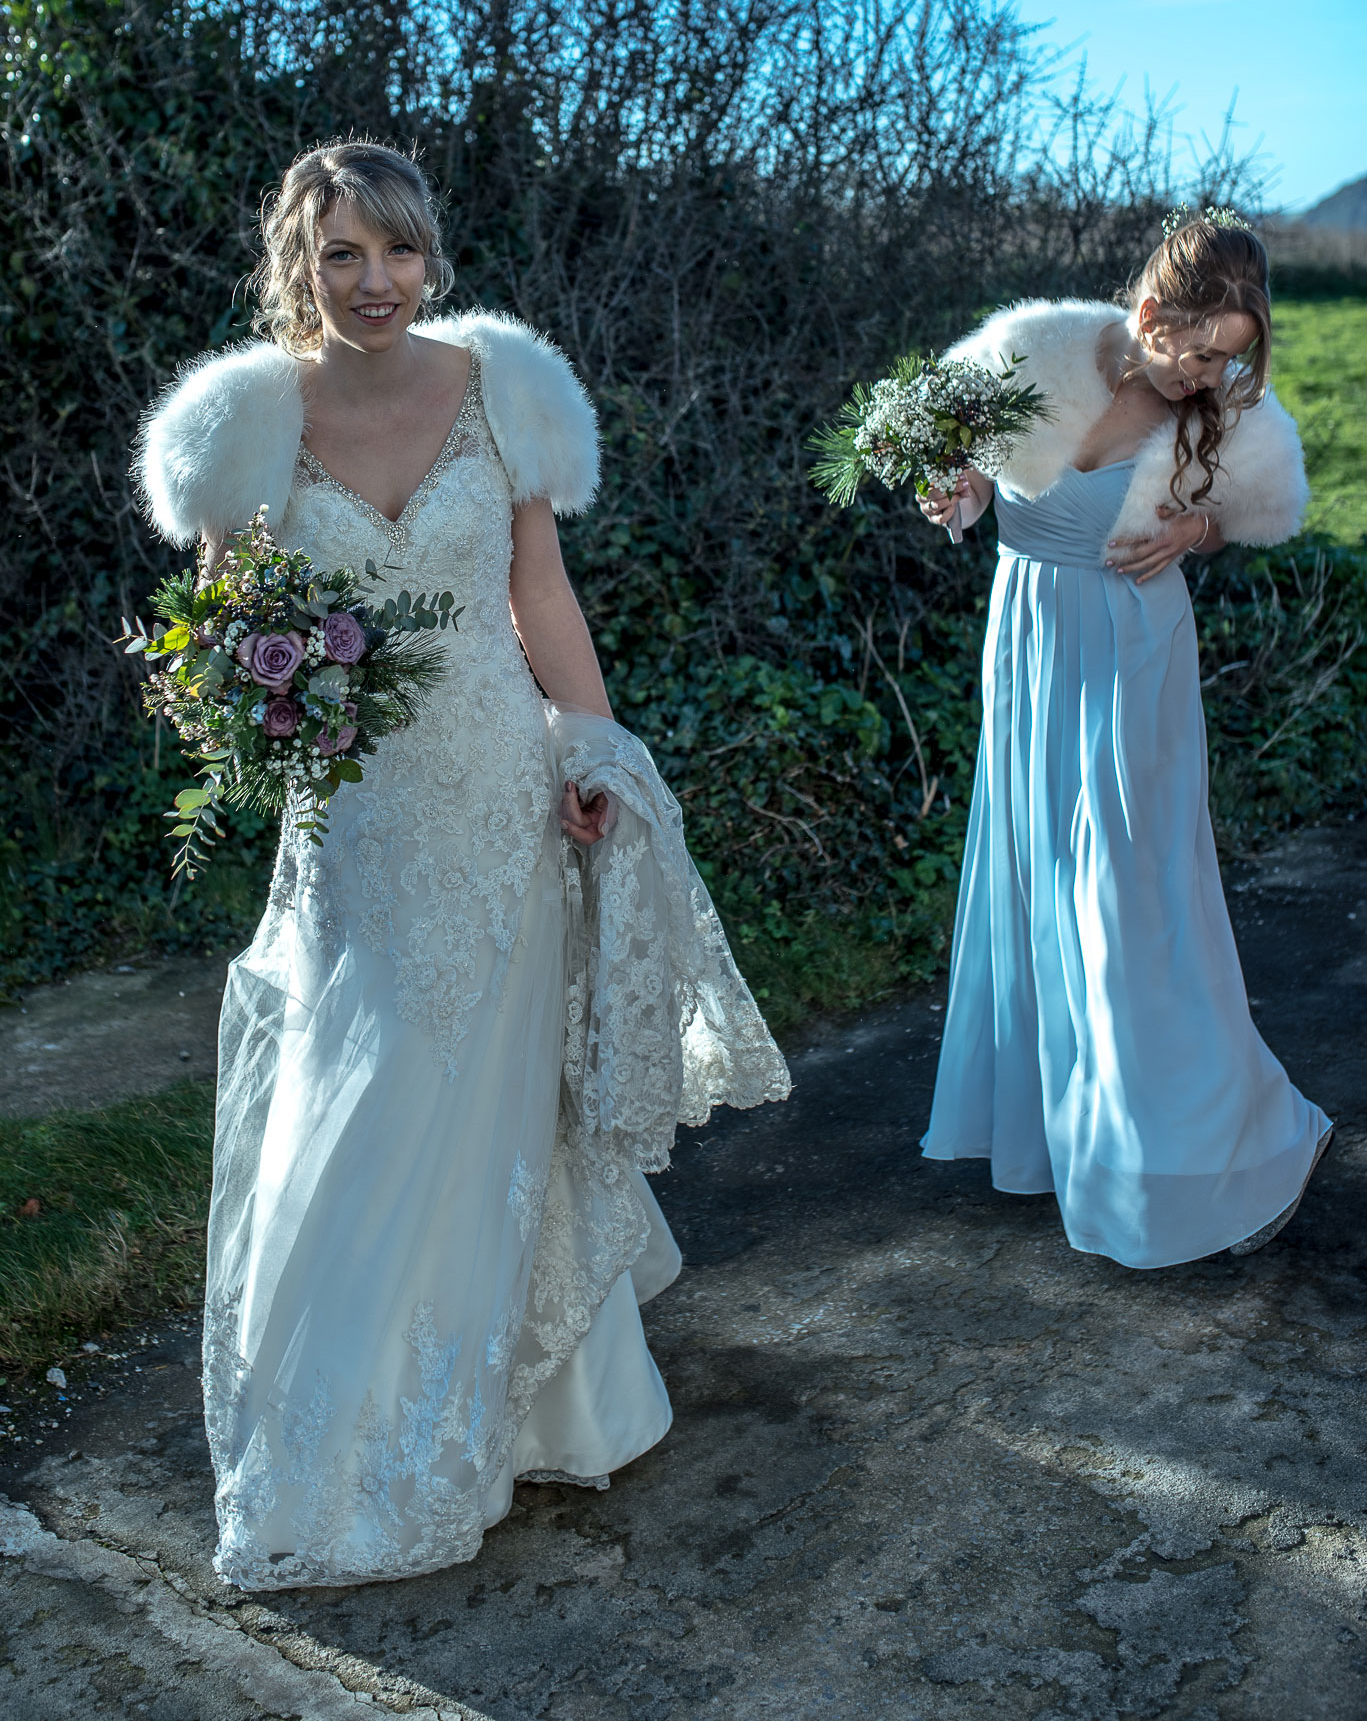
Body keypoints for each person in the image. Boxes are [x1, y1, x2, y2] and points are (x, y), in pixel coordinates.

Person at [135, 138, 790, 1588]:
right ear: (295, 266)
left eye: (400, 252)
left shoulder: (503, 388)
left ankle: (536, 1405)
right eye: (342, 256)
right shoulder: (243, 422)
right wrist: (265, 692)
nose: (376, 283)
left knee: (492, 1094)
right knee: (362, 1085)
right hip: (353, 814)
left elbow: (534, 591)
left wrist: (595, 753)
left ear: (433, 257)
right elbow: (216, 637)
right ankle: (355, 1423)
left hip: (497, 789)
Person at [918, 213, 1332, 1269]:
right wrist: (959, 491)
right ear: (1150, 315)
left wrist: (1196, 526)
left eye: (1228, 357)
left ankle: (1182, 1145)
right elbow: (972, 473)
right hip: (1028, 640)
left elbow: (1265, 504)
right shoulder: (1033, 350)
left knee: (1125, 886)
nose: (1209, 375)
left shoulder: (1225, 409)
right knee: (1038, 872)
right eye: (1198, 351)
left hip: (1132, 652)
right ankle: (1065, 1134)